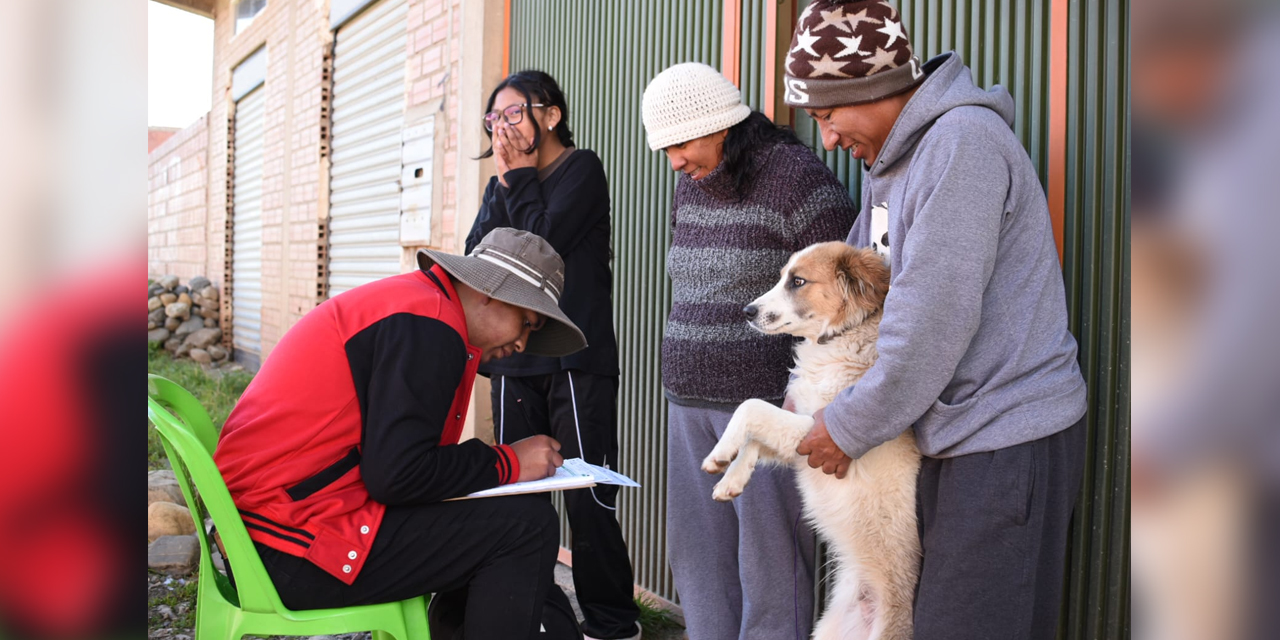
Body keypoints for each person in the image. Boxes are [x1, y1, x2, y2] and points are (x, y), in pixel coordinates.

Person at [780, 1, 1089, 638]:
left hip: (1006, 436)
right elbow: (868, 304)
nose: (828, 137)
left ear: (872, 87)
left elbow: (929, 322)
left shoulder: (961, 146)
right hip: (948, 433)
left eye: (828, 113)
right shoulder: (891, 165)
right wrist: (818, 394)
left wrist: (849, 422)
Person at [213, 228, 587, 640]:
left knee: (493, 522)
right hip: (288, 546)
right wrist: (509, 462)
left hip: (263, 530)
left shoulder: (418, 307)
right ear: (491, 292)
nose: (521, 344)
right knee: (526, 527)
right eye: (527, 323)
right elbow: (398, 475)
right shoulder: (430, 325)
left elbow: (400, 467)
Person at [640, 61, 857, 640]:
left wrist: (809, 397)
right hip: (687, 399)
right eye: (665, 149)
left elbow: (840, 302)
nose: (675, 162)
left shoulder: (797, 181)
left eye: (682, 144)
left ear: (721, 125)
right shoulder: (690, 183)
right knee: (700, 558)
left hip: (764, 407)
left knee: (772, 566)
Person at [464, 71, 640, 640]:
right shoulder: (501, 186)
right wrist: (508, 184)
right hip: (513, 361)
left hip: (574, 360)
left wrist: (515, 179)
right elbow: (479, 259)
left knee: (588, 496)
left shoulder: (581, 170)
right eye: (494, 120)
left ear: (551, 114)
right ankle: (539, 619)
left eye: (514, 114)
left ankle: (613, 624)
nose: (504, 129)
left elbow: (542, 247)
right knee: (521, 500)